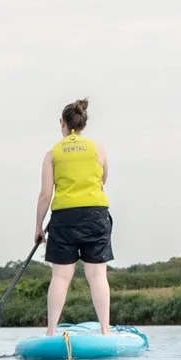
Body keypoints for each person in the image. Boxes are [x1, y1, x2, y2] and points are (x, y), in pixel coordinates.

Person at [34, 98, 113, 335]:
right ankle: (105, 331)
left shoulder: (52, 154)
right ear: (83, 123)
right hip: (95, 215)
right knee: (97, 274)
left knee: (60, 276)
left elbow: (45, 194)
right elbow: (102, 180)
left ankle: (50, 332)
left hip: (64, 217)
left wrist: (38, 227)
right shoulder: (98, 148)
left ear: (63, 124)